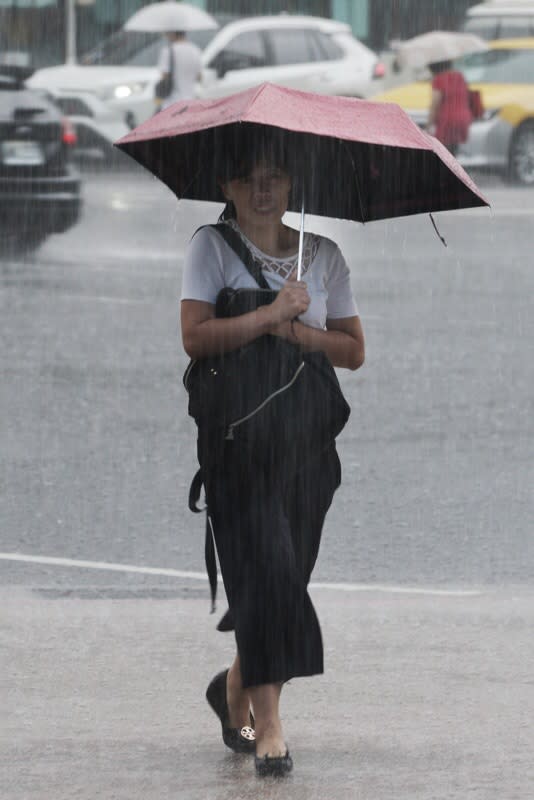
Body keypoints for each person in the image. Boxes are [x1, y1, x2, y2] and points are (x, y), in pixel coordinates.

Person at [180, 133, 365, 778]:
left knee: (287, 581)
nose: (264, 189)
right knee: (265, 579)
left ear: (293, 187)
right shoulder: (212, 246)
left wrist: (297, 328)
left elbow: (353, 350)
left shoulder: (325, 256)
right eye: (249, 179)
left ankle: (232, 694)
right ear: (227, 189)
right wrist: (265, 318)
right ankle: (270, 730)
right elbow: (195, 337)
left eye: (276, 177)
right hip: (236, 447)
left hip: (308, 449)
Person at [426, 59, 473, 155]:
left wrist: (428, 124)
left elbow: (435, 103)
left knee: (443, 153)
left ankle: (445, 169)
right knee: (453, 152)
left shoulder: (439, 79)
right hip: (463, 118)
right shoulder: (459, 77)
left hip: (447, 121)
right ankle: (453, 168)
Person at [156, 30, 202, 109]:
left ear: (173, 33)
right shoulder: (195, 50)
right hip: (190, 101)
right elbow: (199, 77)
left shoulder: (168, 51)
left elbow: (165, 76)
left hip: (172, 103)